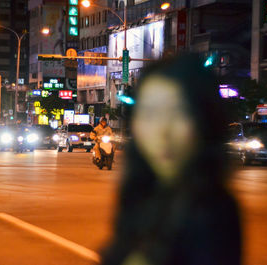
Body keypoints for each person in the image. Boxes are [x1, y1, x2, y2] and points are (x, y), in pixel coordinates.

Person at [101, 54, 241, 265]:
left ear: (206, 119)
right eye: (149, 113)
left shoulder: (212, 213)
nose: (162, 131)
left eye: (179, 112)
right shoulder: (142, 192)